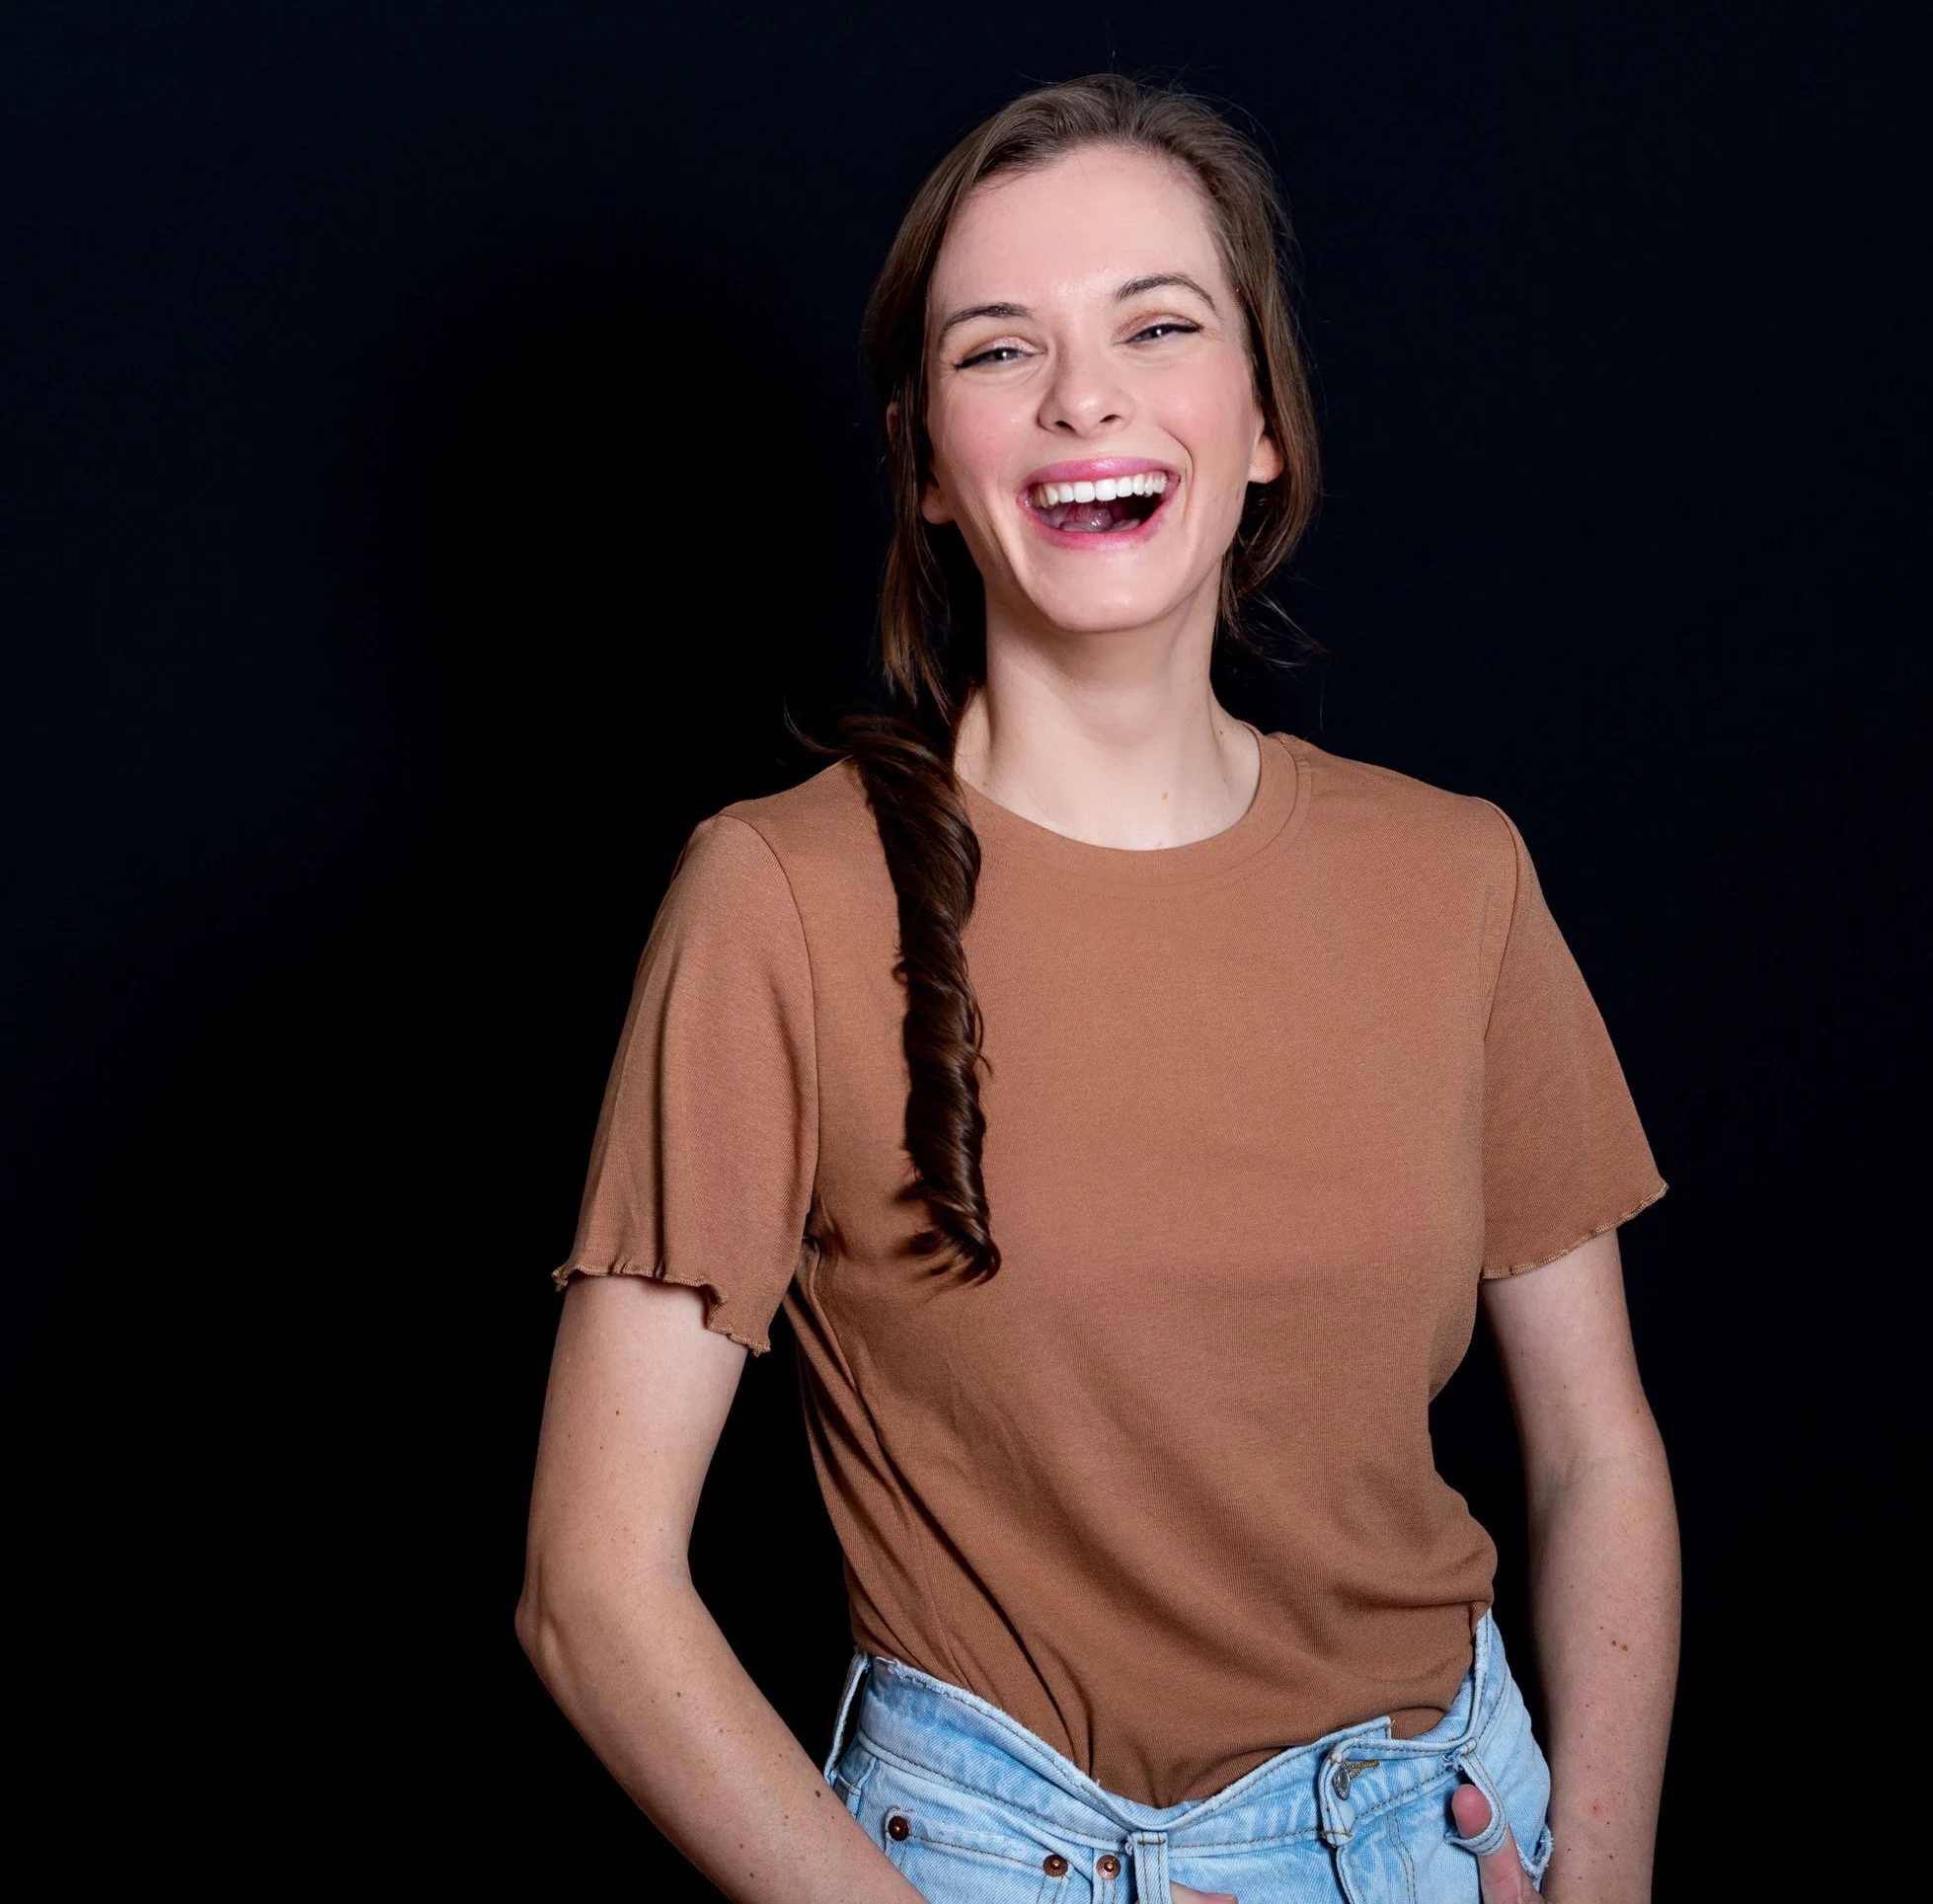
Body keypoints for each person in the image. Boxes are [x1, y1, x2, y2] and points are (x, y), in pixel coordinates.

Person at [516, 74, 1679, 1904]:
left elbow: (1601, 1448)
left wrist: (1595, 1882)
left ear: (1264, 419)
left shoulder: (1458, 876)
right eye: (1001, 350)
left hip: (1459, 1840)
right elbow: (592, 1590)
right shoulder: (777, 897)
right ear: (923, 461)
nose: (1086, 397)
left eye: (1157, 322)